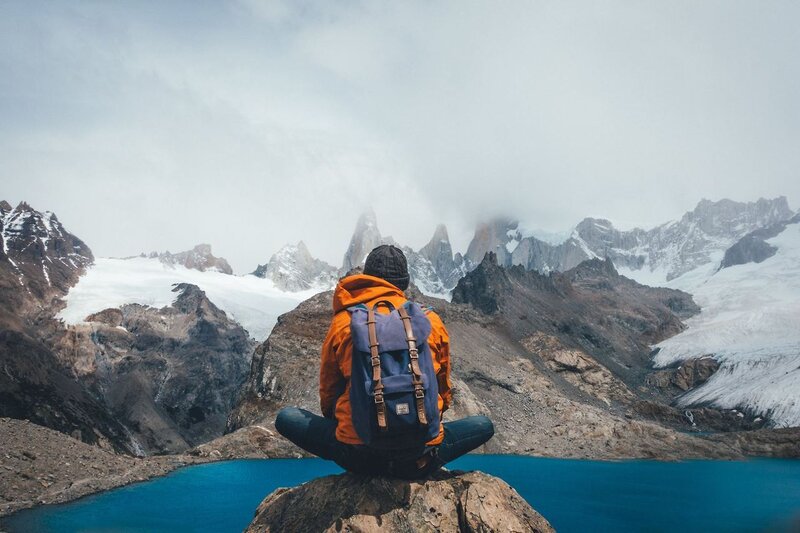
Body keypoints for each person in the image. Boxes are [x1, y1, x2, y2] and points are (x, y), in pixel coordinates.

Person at [276, 244, 494, 478]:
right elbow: (443, 390)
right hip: (419, 457)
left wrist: (347, 424)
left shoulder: (343, 322)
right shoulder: (431, 320)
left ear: (366, 279)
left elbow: (329, 393)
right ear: (404, 283)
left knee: (286, 418)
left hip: (359, 457)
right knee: (483, 425)